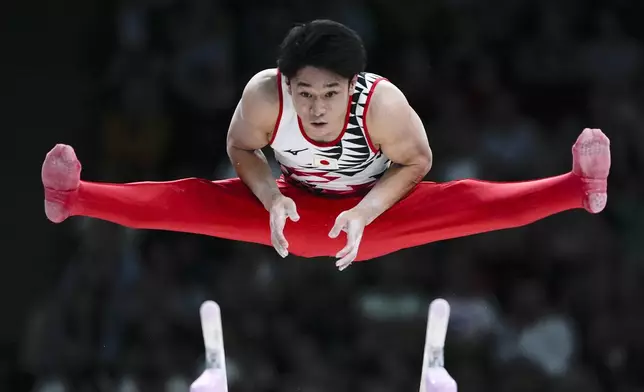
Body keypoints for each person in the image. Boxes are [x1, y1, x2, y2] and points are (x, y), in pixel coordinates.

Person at [41, 19, 611, 271]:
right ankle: (73, 198)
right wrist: (269, 197)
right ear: (286, 83)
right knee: (190, 200)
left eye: (330, 93)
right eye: (305, 92)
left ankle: (578, 188)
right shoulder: (265, 96)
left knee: (471, 201)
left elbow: (419, 162)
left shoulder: (383, 106)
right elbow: (242, 151)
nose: (315, 107)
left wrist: (364, 210)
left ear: (353, 86)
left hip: (375, 208)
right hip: (290, 203)